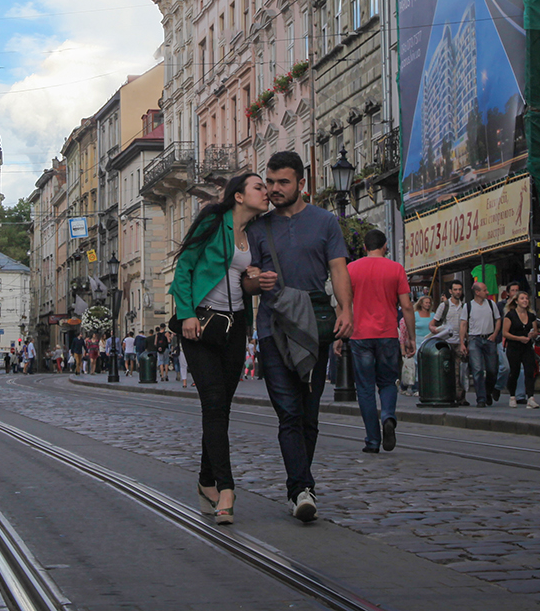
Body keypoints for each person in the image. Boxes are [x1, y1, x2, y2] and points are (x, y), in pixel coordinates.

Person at [248, 151, 353, 523]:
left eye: (283, 182)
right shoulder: (258, 228)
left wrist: (346, 310)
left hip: (314, 325)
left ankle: (301, 484)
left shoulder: (325, 221)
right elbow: (246, 278)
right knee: (288, 412)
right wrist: (255, 282)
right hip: (273, 326)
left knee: (309, 413)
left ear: (301, 183)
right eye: (270, 182)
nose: (274, 189)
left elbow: (338, 269)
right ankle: (301, 489)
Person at [173, 172, 268, 526]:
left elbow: (244, 282)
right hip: (200, 323)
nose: (266, 192)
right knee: (213, 402)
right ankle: (226, 488)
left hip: (235, 327)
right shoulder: (214, 221)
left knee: (221, 408)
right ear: (239, 196)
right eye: (259, 187)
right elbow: (184, 267)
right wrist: (186, 313)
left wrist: (255, 278)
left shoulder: (255, 232)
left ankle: (205, 481)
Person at [347, 230, 413, 452]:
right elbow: (407, 306)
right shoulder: (396, 269)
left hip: (360, 335)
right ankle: (387, 417)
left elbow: (344, 303)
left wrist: (340, 335)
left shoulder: (351, 269)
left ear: (365, 247)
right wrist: (411, 336)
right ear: (385, 246)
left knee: (365, 389)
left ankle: (373, 440)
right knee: (387, 382)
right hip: (387, 333)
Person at [459, 282, 501, 406]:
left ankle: (488, 391)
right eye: (484, 290)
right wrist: (462, 343)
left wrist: (495, 334)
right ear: (477, 292)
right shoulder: (468, 306)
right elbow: (463, 324)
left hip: (489, 338)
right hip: (474, 339)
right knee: (477, 370)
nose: (487, 292)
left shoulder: (491, 304)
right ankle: (481, 398)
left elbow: (498, 319)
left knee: (492, 370)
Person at [500, 290, 540, 408]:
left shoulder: (531, 316)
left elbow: (535, 331)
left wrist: (533, 334)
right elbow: (505, 333)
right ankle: (512, 396)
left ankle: (531, 397)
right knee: (515, 371)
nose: (525, 301)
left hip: (527, 347)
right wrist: (519, 338)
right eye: (522, 298)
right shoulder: (510, 315)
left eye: (526, 298)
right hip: (514, 347)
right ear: (516, 301)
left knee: (529, 371)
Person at [402, 296, 432, 394]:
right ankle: (415, 387)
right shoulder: (415, 315)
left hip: (428, 341)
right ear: (421, 303)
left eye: (429, 303)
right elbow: (408, 328)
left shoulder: (433, 315)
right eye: (426, 302)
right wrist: (408, 342)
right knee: (416, 364)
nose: (428, 304)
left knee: (426, 365)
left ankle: (424, 386)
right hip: (417, 340)